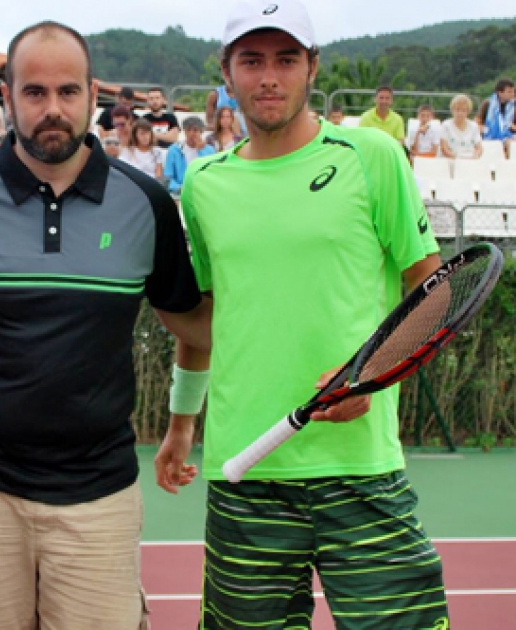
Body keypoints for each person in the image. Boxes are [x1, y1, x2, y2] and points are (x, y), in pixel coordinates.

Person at [0, 20, 204, 630]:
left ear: (93, 95)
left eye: (67, 92)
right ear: (6, 97)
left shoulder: (145, 204)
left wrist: (181, 423)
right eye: (34, 93)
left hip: (100, 494)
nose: (52, 109)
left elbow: (195, 330)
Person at [154, 2, 450, 629]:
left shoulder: (372, 156)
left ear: (312, 67)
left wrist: (376, 376)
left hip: (359, 467)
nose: (269, 77)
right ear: (226, 73)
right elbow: (210, 320)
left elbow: (434, 291)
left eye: (286, 59)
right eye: (252, 60)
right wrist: (182, 425)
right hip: (246, 471)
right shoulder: (205, 185)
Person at [164, 115, 214, 194]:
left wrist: (201, 151)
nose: (191, 133)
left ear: (201, 132)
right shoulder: (174, 149)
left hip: (202, 191)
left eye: (195, 130)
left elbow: (212, 174)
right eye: (188, 130)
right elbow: (168, 177)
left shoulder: (209, 150)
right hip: (180, 191)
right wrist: (179, 187)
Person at [476, 78, 515, 157]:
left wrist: (510, 127)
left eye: (513, 91)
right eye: (509, 92)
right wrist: (485, 129)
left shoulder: (514, 106)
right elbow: (477, 122)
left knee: (511, 143)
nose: (512, 94)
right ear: (500, 93)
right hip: (489, 136)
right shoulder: (488, 104)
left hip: (509, 136)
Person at [441, 94, 483, 160]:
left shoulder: (474, 126)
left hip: (470, 160)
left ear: (468, 111)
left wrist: (475, 156)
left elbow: (479, 148)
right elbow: (444, 149)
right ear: (452, 110)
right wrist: (458, 158)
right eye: (457, 110)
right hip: (452, 160)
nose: (460, 113)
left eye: (463, 110)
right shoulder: (446, 125)